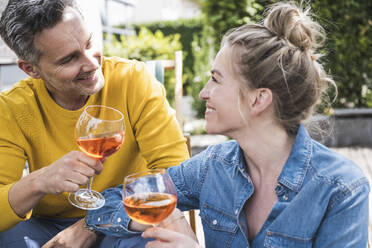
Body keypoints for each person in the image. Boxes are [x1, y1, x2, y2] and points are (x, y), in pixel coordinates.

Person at [60, 1, 370, 247]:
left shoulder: (341, 189)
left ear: (258, 99)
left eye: (215, 79)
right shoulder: (212, 167)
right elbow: (118, 198)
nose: (203, 93)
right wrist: (163, 217)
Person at [0, 0, 189, 247]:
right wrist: (39, 180)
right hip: (45, 226)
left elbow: (177, 175)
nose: (91, 64)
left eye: (89, 43)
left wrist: (94, 222)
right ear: (31, 69)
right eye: (69, 59)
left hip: (124, 218)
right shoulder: (12, 107)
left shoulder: (133, 80)